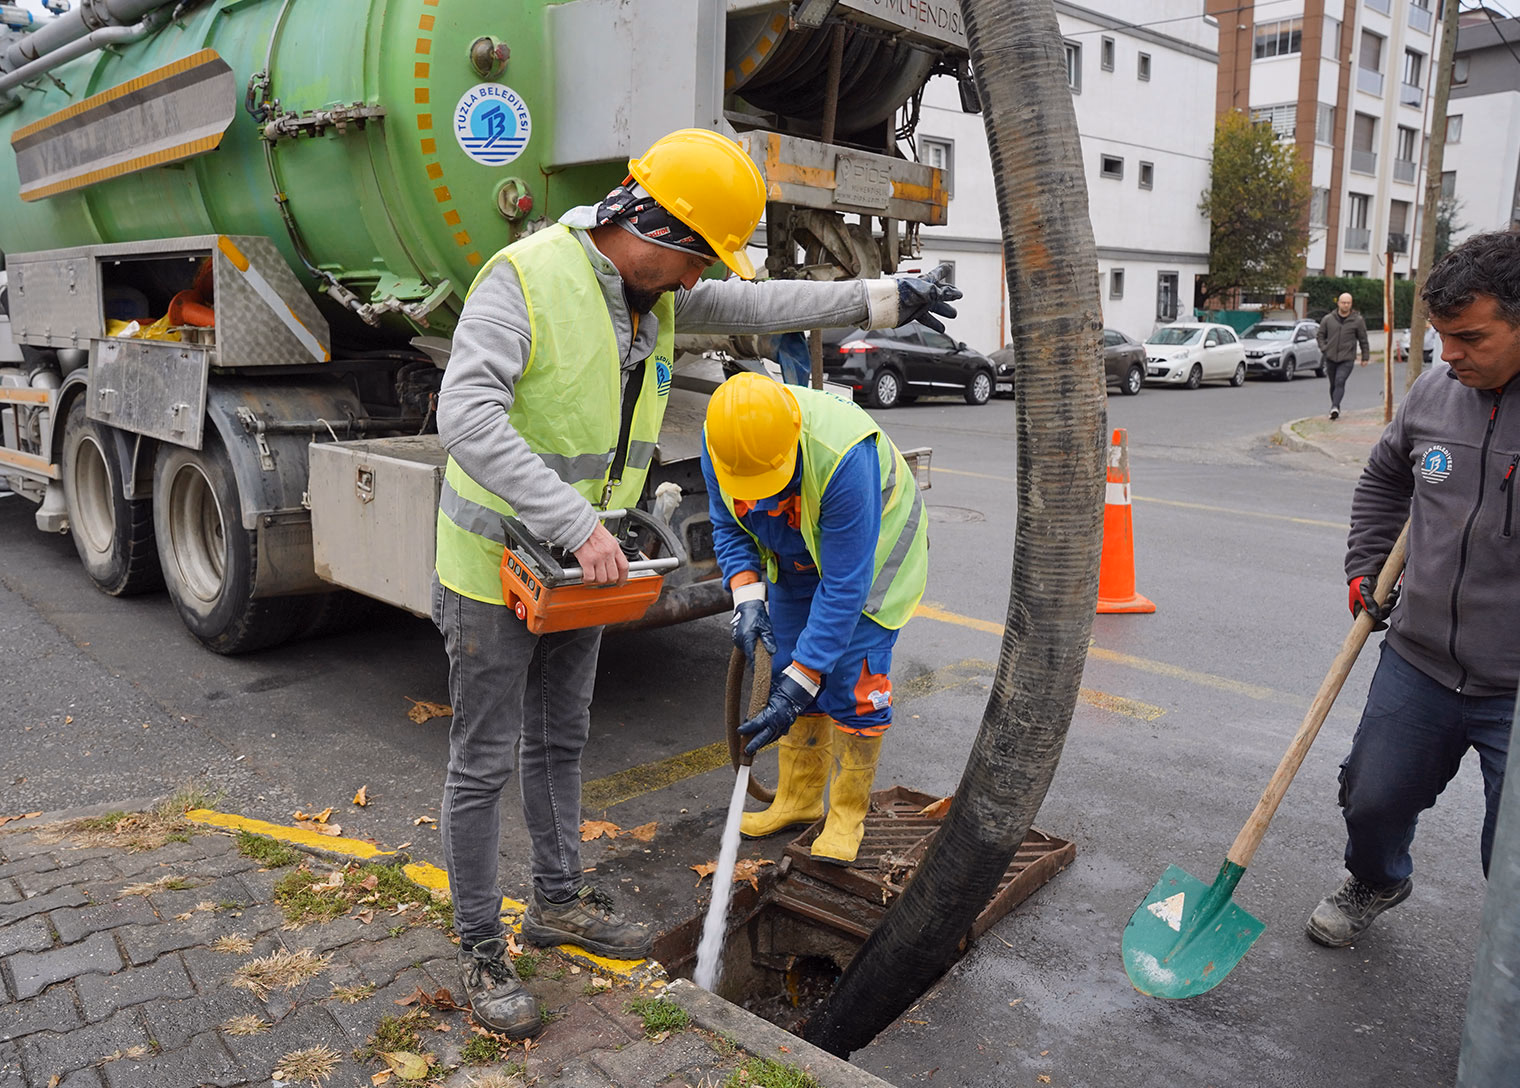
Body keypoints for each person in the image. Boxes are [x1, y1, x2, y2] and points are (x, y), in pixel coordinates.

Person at [431, 127, 962, 1036]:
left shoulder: (656, 292)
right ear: (650, 225)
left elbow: (765, 304)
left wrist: (884, 296)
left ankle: (557, 900)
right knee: (482, 762)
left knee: (561, 743)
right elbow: (464, 417)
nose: (694, 282)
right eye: (693, 260)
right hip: (498, 567)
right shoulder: (522, 279)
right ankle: (481, 947)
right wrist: (575, 523)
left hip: (586, 571)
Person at [1306, 231, 1520, 948]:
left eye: (1469, 338)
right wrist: (1366, 567)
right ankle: (1378, 879)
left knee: (1511, 857)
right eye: (1439, 337)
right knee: (1370, 798)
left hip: (1514, 685)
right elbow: (1385, 477)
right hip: (1420, 656)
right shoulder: (1435, 392)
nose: (1448, 355)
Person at [702, 373, 930, 866]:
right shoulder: (722, 440)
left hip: (872, 559)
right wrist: (748, 599)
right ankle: (799, 799)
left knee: (852, 680)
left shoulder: (842, 456)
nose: (758, 499)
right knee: (789, 664)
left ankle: (847, 813)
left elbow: (847, 583)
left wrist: (806, 679)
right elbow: (727, 525)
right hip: (798, 555)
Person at [1316, 292, 1371, 420]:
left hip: (1347, 358)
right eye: (1343, 302)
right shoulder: (1328, 319)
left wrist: (1365, 356)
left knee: (1340, 380)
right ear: (1338, 303)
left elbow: (1363, 339)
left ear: (1351, 304)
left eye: (1348, 303)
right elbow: (1320, 335)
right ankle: (1335, 406)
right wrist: (1324, 348)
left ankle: (1334, 407)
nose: (1346, 305)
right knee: (1333, 384)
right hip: (1330, 357)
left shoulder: (1357, 320)